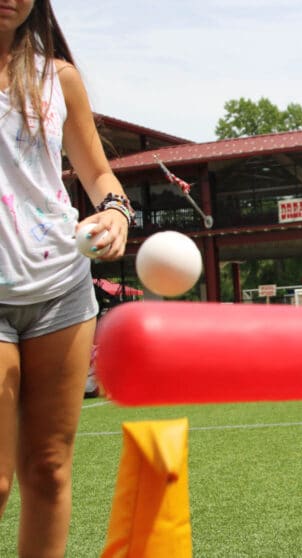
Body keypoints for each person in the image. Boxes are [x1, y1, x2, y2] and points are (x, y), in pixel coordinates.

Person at [0, 2, 133, 556]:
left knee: (50, 471)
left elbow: (99, 172)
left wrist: (116, 211)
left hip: (62, 288)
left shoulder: (58, 78)